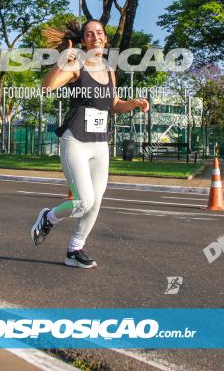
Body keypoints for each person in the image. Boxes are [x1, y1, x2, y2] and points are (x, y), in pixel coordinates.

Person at [30, 19, 149, 268]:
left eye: (99, 32)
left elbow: (114, 105)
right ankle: (49, 217)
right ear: (84, 41)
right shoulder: (76, 65)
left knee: (96, 200)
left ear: (105, 39)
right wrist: (63, 60)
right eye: (89, 34)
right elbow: (46, 87)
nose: (95, 36)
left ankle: (75, 249)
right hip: (74, 139)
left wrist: (134, 104)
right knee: (83, 200)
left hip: (99, 144)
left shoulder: (109, 69)